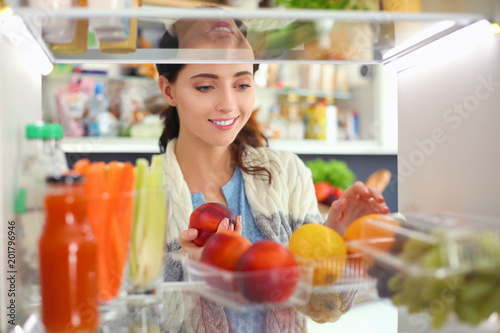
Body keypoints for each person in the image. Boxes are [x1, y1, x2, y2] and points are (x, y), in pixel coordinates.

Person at [156, 12, 389, 333]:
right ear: (169, 91)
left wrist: (337, 241)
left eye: (241, 84)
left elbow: (323, 306)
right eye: (206, 86)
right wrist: (180, 271)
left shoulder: (286, 173)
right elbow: (122, 319)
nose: (228, 104)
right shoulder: (142, 192)